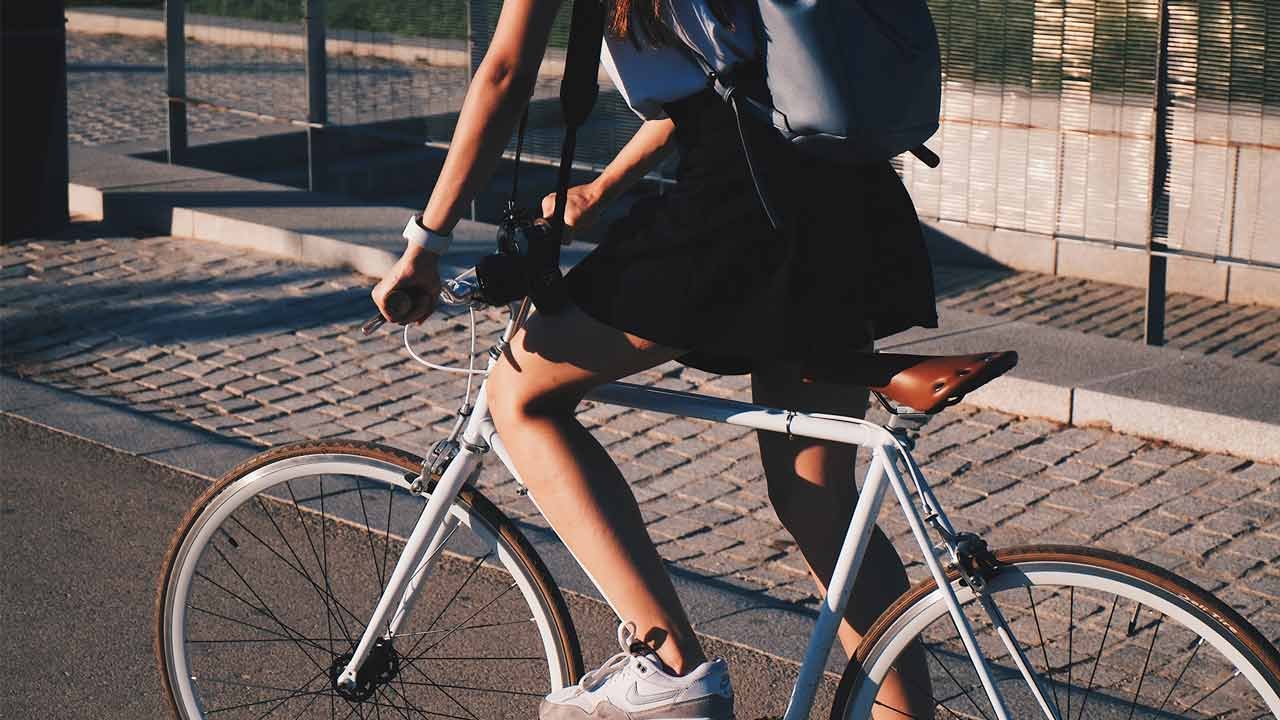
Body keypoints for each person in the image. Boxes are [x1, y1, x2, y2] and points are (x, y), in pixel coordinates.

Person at [372, 0, 940, 715]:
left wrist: (425, 244)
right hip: (845, 192)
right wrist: (602, 188)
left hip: (740, 206)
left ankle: (666, 668)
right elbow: (730, 83)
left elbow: (507, 72)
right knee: (816, 496)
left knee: (521, 393)